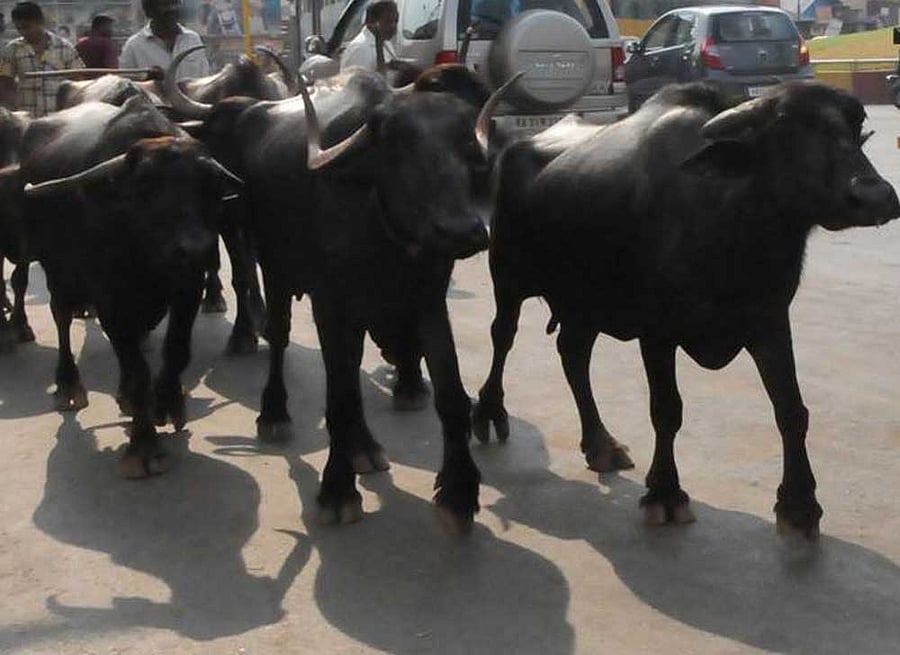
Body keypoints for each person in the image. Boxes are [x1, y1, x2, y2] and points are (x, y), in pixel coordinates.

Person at [0, 2, 84, 117]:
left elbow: (79, 80)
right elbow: (5, 82)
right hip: (27, 120)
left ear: (40, 22)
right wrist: (12, 112)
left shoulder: (65, 48)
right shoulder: (12, 50)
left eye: (27, 27)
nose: (23, 32)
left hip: (58, 120)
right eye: (19, 28)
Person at [119, 0, 209, 81]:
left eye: (175, 3)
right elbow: (126, 87)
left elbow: (204, 78)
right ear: (149, 11)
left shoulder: (193, 39)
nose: (172, 9)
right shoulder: (133, 46)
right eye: (164, 4)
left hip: (190, 99)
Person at [340, 0, 399, 72]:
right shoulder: (360, 49)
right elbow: (356, 81)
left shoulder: (385, 43)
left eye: (396, 21)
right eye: (388, 21)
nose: (393, 26)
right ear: (371, 22)